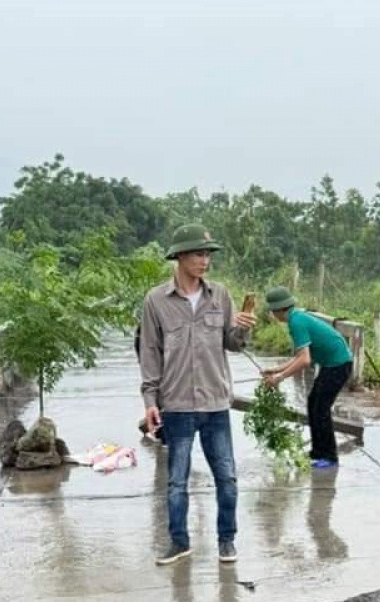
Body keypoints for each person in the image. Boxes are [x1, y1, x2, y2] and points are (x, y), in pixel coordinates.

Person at [139, 223, 256, 565]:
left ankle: (227, 540)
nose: (205, 260)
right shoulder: (156, 301)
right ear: (179, 256)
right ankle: (179, 542)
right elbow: (149, 353)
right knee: (176, 481)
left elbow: (232, 344)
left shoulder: (220, 295)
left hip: (216, 403)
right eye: (198, 254)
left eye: (208, 254)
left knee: (228, 477)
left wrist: (244, 330)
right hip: (176, 405)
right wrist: (150, 402)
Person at [261, 287, 354, 469]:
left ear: (280, 309)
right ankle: (318, 451)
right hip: (331, 363)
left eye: (273, 311)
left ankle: (329, 456)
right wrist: (276, 369)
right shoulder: (296, 318)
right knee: (313, 403)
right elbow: (299, 356)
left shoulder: (296, 322)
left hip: (338, 364)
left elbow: (305, 360)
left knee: (321, 409)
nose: (272, 315)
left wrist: (279, 378)